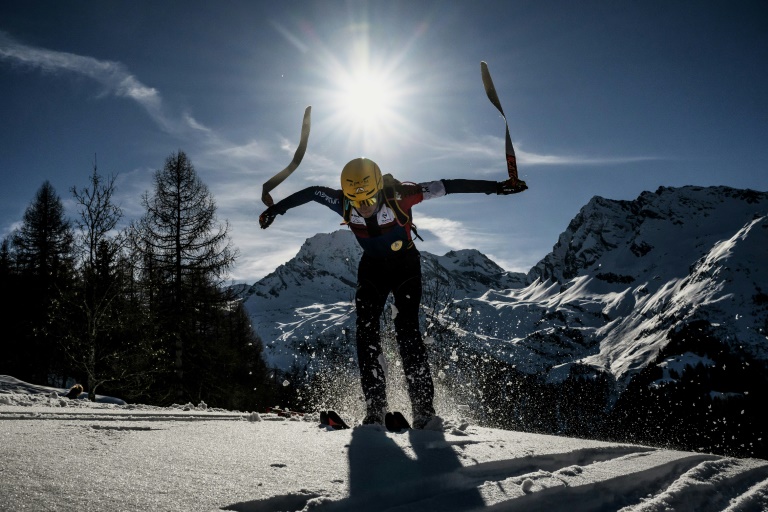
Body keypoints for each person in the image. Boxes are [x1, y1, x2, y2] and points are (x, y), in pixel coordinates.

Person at [259, 157, 526, 428]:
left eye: (369, 200)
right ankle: (375, 408)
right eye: (357, 201)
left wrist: (497, 187)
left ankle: (422, 409)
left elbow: (449, 185)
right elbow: (310, 193)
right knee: (365, 330)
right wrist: (275, 210)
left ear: (378, 189)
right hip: (372, 269)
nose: (363, 207)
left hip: (405, 268)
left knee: (406, 330)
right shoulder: (342, 202)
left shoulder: (402, 195)